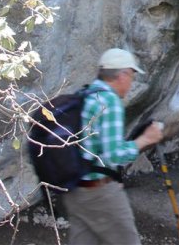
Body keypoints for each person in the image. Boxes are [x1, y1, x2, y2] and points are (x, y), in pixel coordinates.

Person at [62, 48, 165, 245]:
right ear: (122, 74)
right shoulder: (109, 101)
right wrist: (145, 139)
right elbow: (114, 155)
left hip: (75, 190)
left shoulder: (85, 94)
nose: (131, 82)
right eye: (131, 76)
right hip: (98, 192)